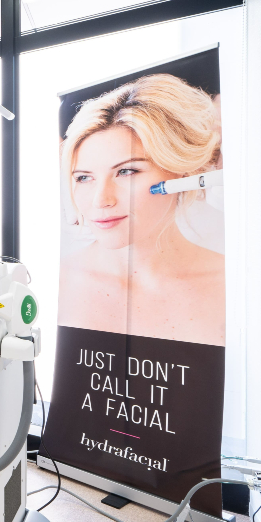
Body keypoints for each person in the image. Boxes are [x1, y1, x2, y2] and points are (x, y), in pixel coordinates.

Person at [58, 74, 224, 345]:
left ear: (181, 169)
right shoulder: (54, 281)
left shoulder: (235, 286)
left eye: (126, 171)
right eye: (84, 177)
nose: (101, 200)